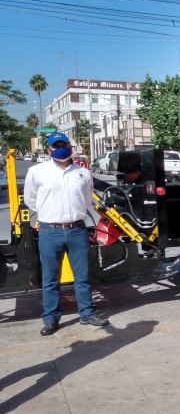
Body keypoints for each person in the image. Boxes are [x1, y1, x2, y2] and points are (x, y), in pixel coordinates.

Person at [23, 132, 110, 335]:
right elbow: (31, 199)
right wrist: (49, 213)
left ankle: (87, 313)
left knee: (83, 276)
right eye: (56, 145)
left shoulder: (82, 173)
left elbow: (86, 200)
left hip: (77, 230)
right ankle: (51, 318)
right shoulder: (37, 172)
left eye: (64, 144)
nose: (61, 148)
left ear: (71, 147)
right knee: (51, 278)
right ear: (48, 150)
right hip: (49, 231)